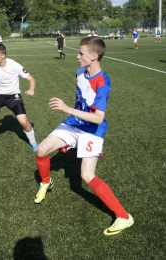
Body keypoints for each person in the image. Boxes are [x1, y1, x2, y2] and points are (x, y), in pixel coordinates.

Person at [33, 36, 134, 236]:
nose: (77, 56)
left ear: (94, 56)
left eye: (81, 53)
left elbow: (97, 117)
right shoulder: (80, 72)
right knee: (42, 149)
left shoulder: (103, 83)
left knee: (86, 175)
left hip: (92, 130)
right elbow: (82, 100)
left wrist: (66, 108)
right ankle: (46, 182)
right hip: (74, 124)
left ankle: (124, 217)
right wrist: (71, 115)